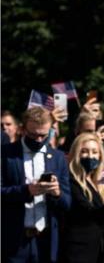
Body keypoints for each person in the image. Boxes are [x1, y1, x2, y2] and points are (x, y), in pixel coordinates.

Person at [1, 107, 71, 262]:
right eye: (33, 135)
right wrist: (26, 190)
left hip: (45, 241)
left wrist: (57, 193)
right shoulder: (5, 154)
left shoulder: (58, 158)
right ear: (22, 129)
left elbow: (67, 203)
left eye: (43, 135)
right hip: (14, 240)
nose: (39, 140)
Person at [62, 133, 104, 263]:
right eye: (84, 152)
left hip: (100, 252)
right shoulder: (70, 180)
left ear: (100, 155)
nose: (90, 156)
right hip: (78, 253)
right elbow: (86, 211)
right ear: (76, 154)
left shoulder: (100, 183)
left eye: (94, 152)